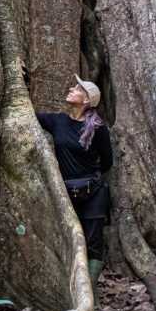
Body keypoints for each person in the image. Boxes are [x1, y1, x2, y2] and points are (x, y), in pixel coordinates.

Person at [35, 75, 113, 298]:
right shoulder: (57, 121)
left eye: (77, 89)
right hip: (65, 194)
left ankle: (88, 295)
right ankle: (69, 291)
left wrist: (89, 175)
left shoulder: (98, 129)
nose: (71, 89)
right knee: (67, 239)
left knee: (93, 243)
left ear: (87, 100)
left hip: (93, 194)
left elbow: (108, 161)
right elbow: (25, 113)